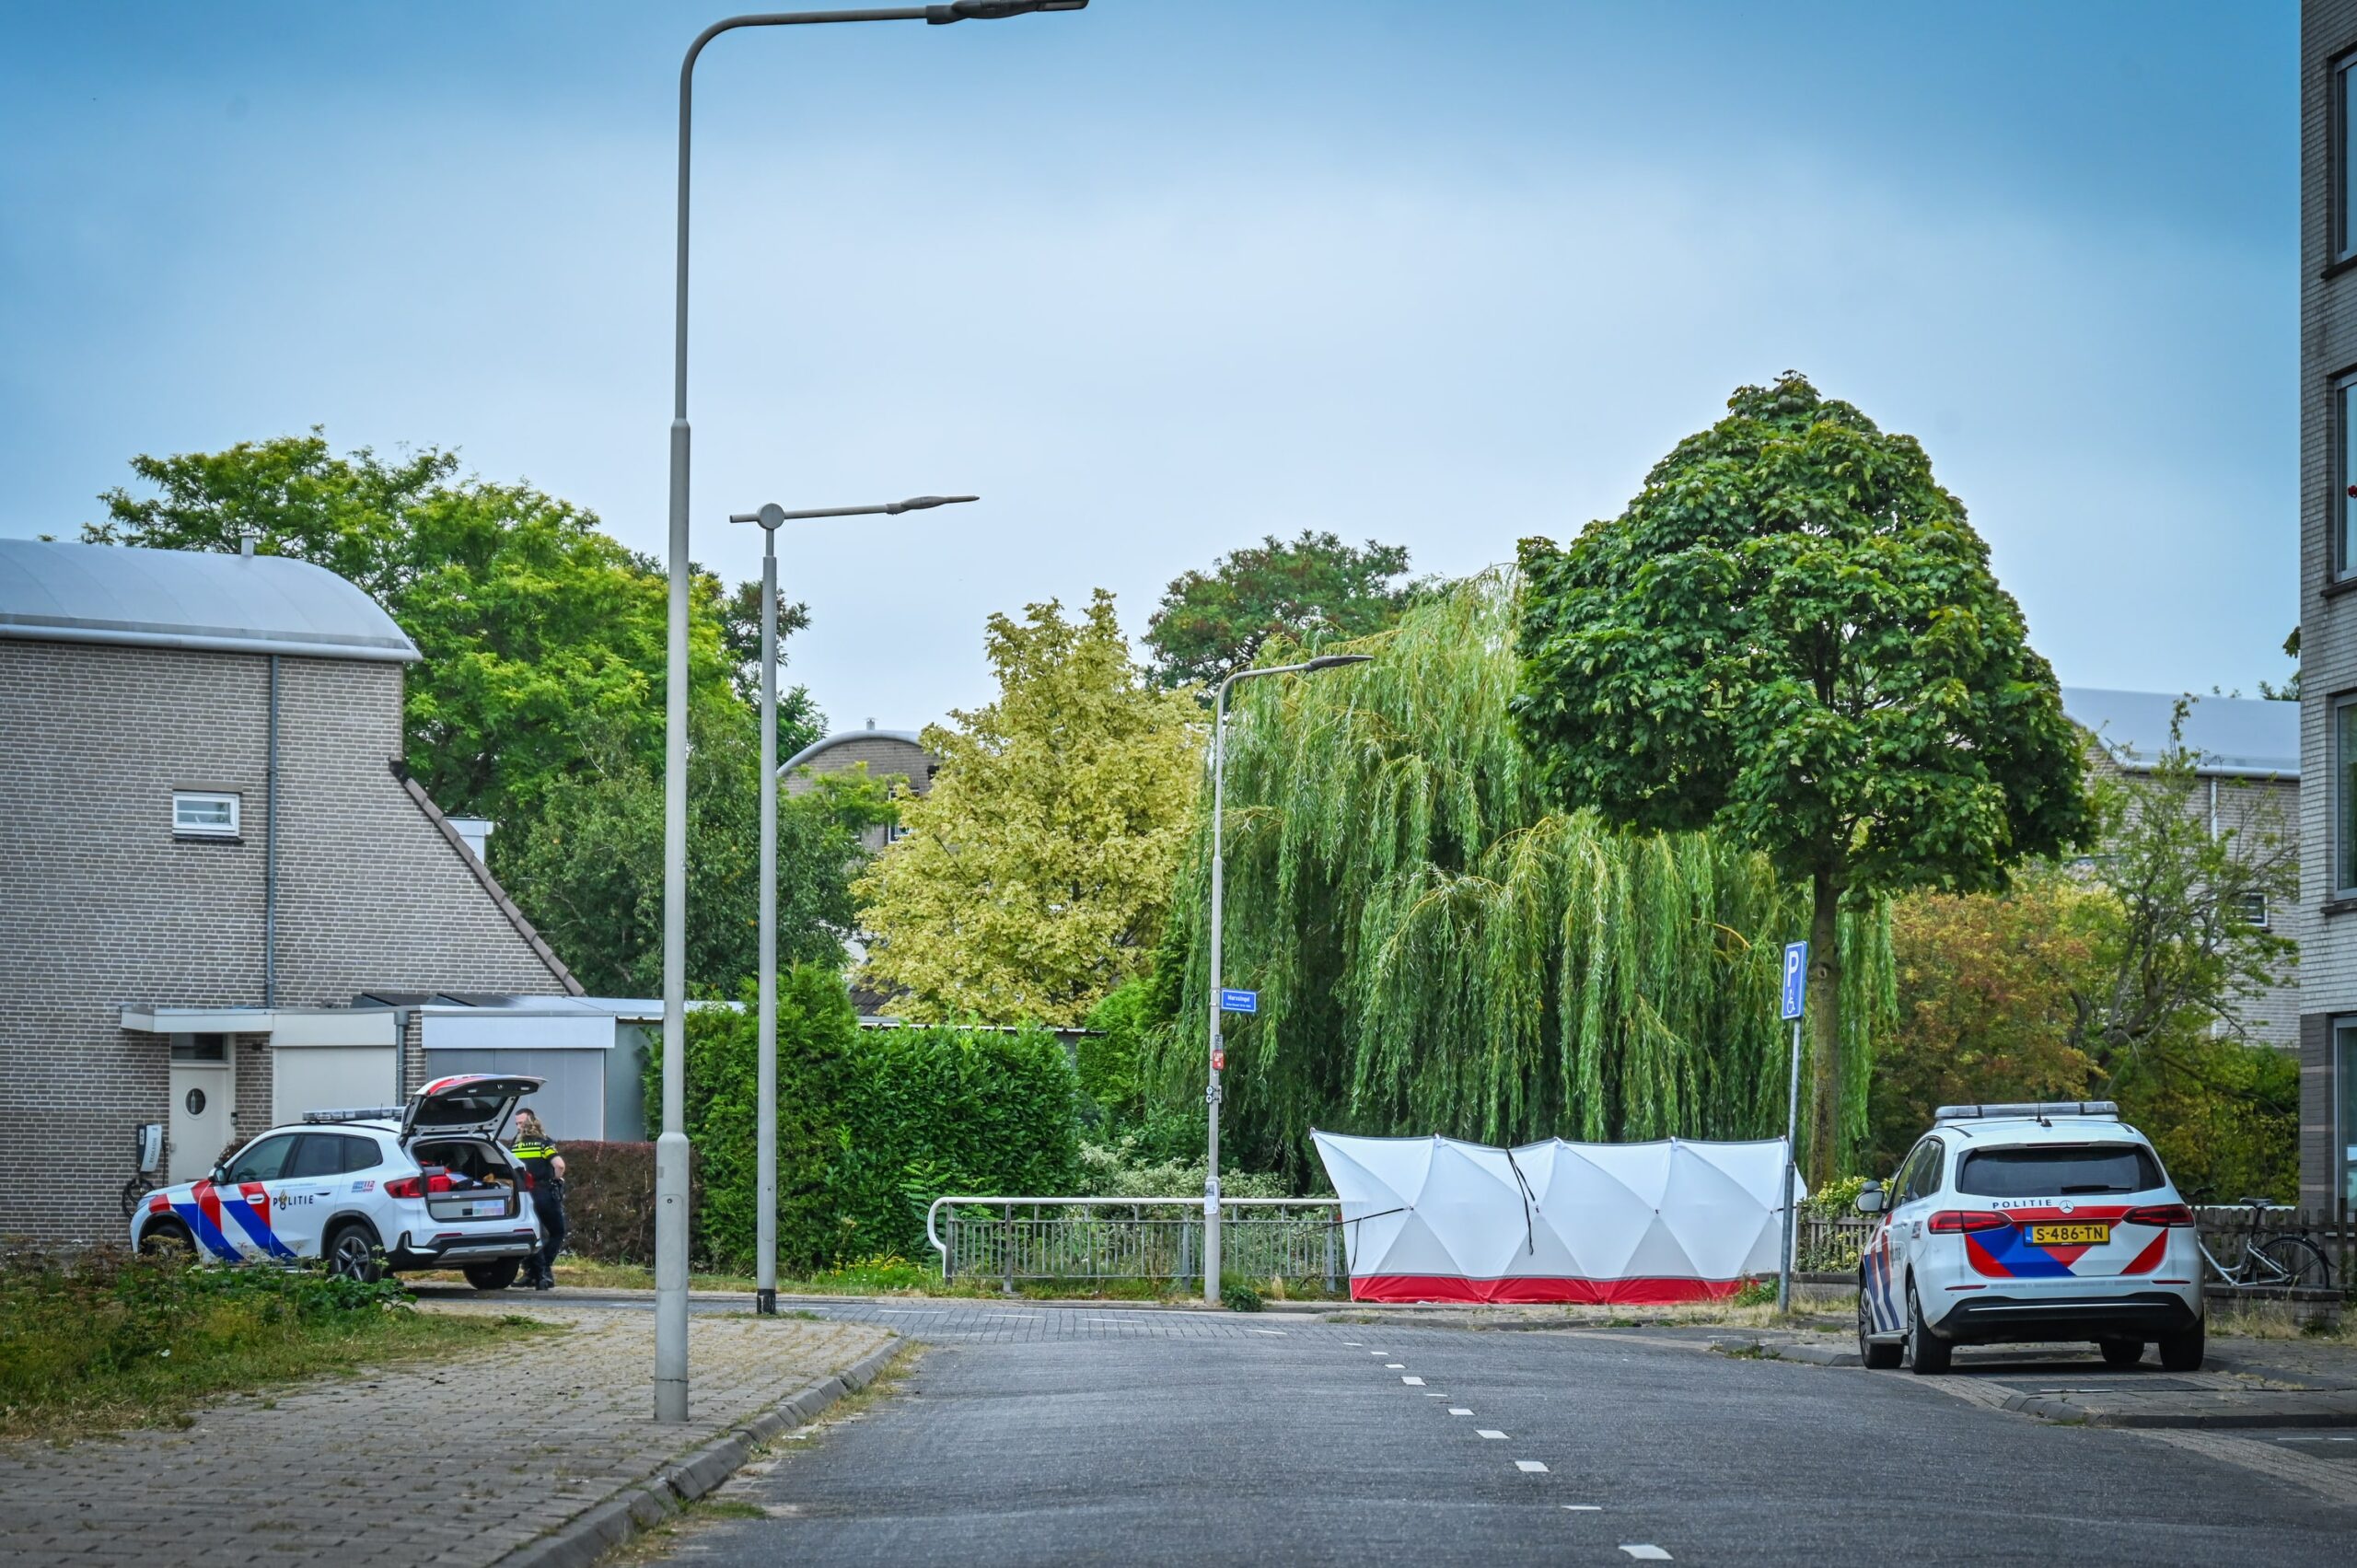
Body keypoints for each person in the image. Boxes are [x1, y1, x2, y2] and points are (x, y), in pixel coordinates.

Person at [508, 1109, 567, 1290]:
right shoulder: (543, 1143)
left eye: (520, 1123)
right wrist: (557, 1180)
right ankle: (544, 1272)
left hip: (524, 1195)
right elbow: (559, 1165)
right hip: (543, 1192)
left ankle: (532, 1273)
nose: (518, 1127)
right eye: (517, 1124)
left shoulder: (514, 1146)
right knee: (557, 1231)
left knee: (533, 1234)